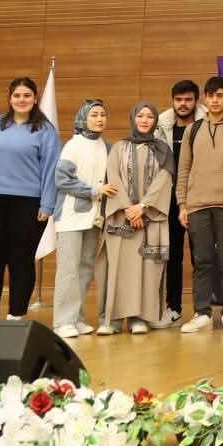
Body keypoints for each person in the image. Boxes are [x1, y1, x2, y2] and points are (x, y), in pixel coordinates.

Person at [0, 76, 61, 320]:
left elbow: (51, 168)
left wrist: (47, 204)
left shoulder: (45, 130)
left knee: (21, 260)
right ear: (10, 98)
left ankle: (16, 315)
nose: (22, 100)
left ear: (35, 99)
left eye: (27, 95)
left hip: (28, 203)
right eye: (17, 95)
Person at [176, 76, 223, 333]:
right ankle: (202, 313)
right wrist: (183, 204)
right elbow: (184, 168)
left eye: (220, 95)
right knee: (202, 260)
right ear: (205, 100)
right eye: (210, 96)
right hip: (197, 205)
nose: (215, 100)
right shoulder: (192, 130)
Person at [98, 102, 174, 334]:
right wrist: (129, 210)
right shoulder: (119, 147)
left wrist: (142, 207)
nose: (144, 120)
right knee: (118, 268)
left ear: (155, 121)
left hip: (150, 218)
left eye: (149, 116)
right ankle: (110, 320)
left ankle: (138, 318)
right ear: (133, 118)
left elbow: (164, 180)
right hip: (121, 219)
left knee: (146, 270)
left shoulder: (162, 149)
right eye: (140, 116)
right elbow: (114, 178)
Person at [52, 100, 116, 339]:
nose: (99, 119)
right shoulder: (73, 145)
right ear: (83, 118)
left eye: (103, 114)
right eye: (94, 115)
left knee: (85, 269)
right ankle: (62, 321)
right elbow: (62, 180)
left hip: (93, 218)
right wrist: (93, 191)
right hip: (70, 217)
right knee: (68, 269)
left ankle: (76, 319)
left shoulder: (105, 147)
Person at [154, 79, 204, 326]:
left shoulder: (207, 124)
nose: (183, 104)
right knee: (171, 257)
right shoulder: (160, 125)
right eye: (178, 100)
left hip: (198, 199)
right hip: (168, 201)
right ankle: (173, 308)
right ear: (173, 101)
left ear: (196, 101)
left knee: (200, 257)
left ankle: (201, 311)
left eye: (188, 100)